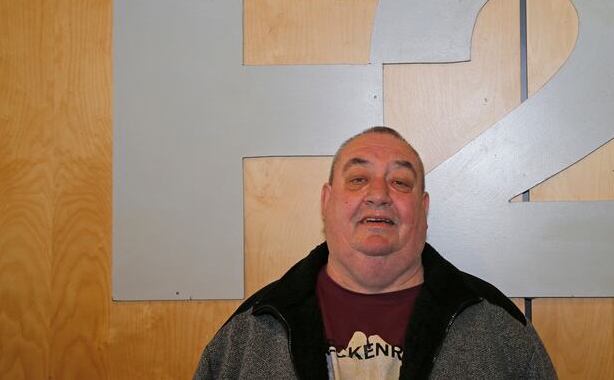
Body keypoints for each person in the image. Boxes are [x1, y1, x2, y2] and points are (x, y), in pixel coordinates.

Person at [193, 126, 557, 379]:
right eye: (358, 179)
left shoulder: (500, 329)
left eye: (400, 182)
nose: (379, 193)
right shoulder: (248, 332)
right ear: (326, 200)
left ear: (423, 208)